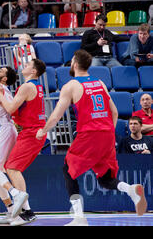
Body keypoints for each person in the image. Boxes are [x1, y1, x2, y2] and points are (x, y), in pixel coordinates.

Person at [36, 49, 147, 226]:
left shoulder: (71, 86)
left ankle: (79, 217)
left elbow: (57, 115)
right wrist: (108, 131)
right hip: (107, 134)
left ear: (75, 63)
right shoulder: (100, 83)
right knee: (104, 179)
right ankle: (131, 190)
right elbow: (115, 112)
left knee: (68, 170)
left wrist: (43, 131)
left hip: (90, 134)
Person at [0, 58, 47, 225]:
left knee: (12, 168)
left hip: (31, 132)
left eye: (27, 65)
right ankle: (26, 211)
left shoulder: (26, 86)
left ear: (33, 71)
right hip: (32, 131)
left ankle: (25, 212)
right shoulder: (36, 86)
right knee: (12, 168)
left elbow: (10, 109)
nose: (23, 67)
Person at [0, 66, 30, 225]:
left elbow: (12, 108)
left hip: (1, 128)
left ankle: (15, 194)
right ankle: (12, 210)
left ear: (5, 79)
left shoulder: (0, 89)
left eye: (1, 71)